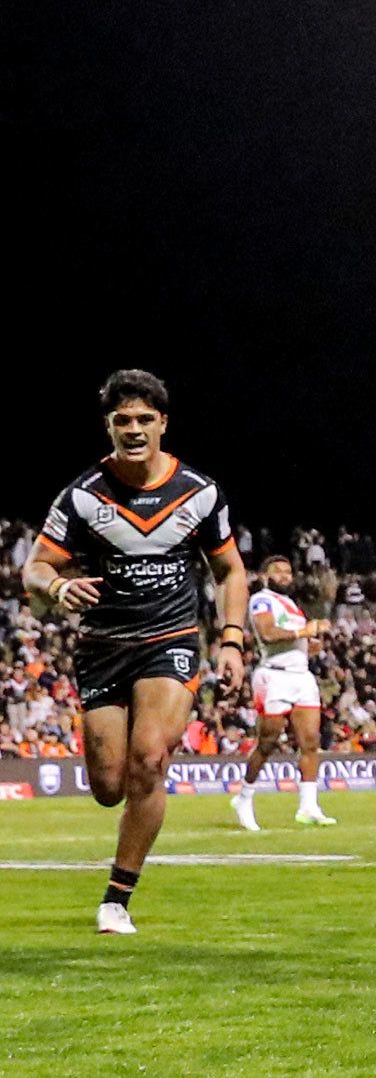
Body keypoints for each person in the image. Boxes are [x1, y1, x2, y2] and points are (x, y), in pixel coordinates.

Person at [24, 370, 251, 934]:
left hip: (170, 640)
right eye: (122, 419)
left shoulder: (199, 492)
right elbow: (34, 567)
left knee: (151, 759)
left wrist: (230, 640)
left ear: (163, 424)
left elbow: (230, 570)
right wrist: (57, 587)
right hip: (102, 647)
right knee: (108, 786)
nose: (133, 429)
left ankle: (116, 899)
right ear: (107, 425)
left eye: (144, 419)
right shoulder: (82, 496)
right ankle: (124, 821)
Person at [232, 553, 335, 830]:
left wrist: (311, 645)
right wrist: (304, 633)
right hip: (274, 676)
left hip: (301, 676)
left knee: (311, 741)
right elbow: (267, 633)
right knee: (268, 741)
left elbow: (295, 638)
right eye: (278, 571)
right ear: (265, 576)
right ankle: (244, 796)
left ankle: (308, 806)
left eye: (288, 572)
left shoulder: (290, 604)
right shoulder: (262, 599)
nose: (284, 576)